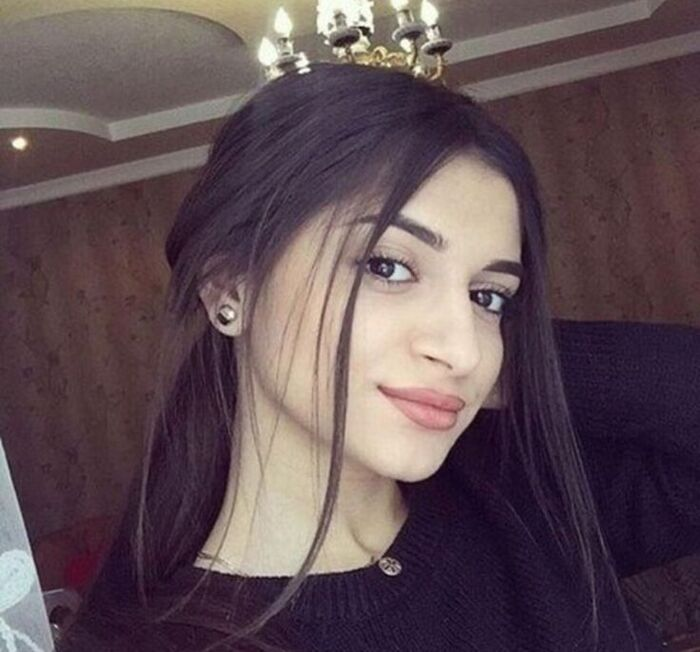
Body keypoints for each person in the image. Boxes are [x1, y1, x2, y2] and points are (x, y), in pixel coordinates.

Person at [56, 62, 700, 652]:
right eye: (387, 266)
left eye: (489, 297)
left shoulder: (526, 495)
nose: (462, 348)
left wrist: (509, 364)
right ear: (231, 290)